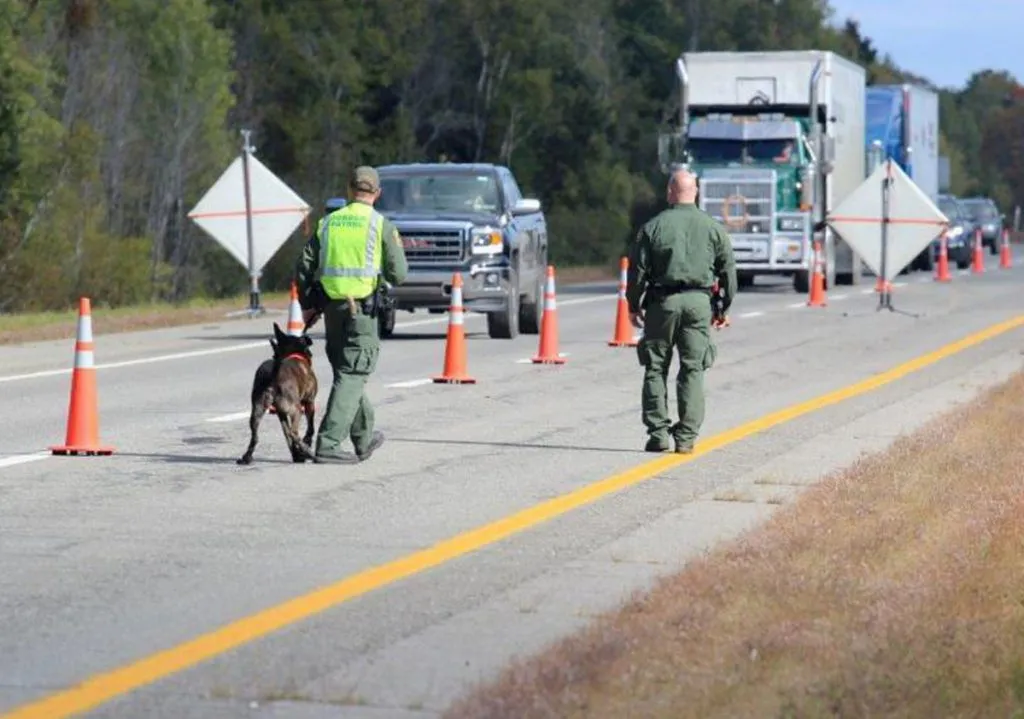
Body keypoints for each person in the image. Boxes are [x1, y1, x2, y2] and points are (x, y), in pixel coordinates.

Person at [294, 166, 408, 464]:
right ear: (377, 193)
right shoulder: (379, 224)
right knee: (354, 373)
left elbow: (304, 266)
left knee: (347, 374)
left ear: (349, 190)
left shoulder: (328, 223)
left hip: (332, 311)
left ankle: (363, 437)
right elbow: (399, 273)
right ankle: (329, 443)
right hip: (362, 312)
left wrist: (309, 302)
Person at [626, 168, 737, 454]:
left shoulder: (653, 227)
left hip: (662, 304)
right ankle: (686, 437)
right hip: (699, 304)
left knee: (655, 367)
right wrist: (721, 308)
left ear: (669, 192)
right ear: (696, 192)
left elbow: (637, 272)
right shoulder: (713, 228)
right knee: (693, 368)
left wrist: (632, 304)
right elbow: (728, 274)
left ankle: (658, 433)